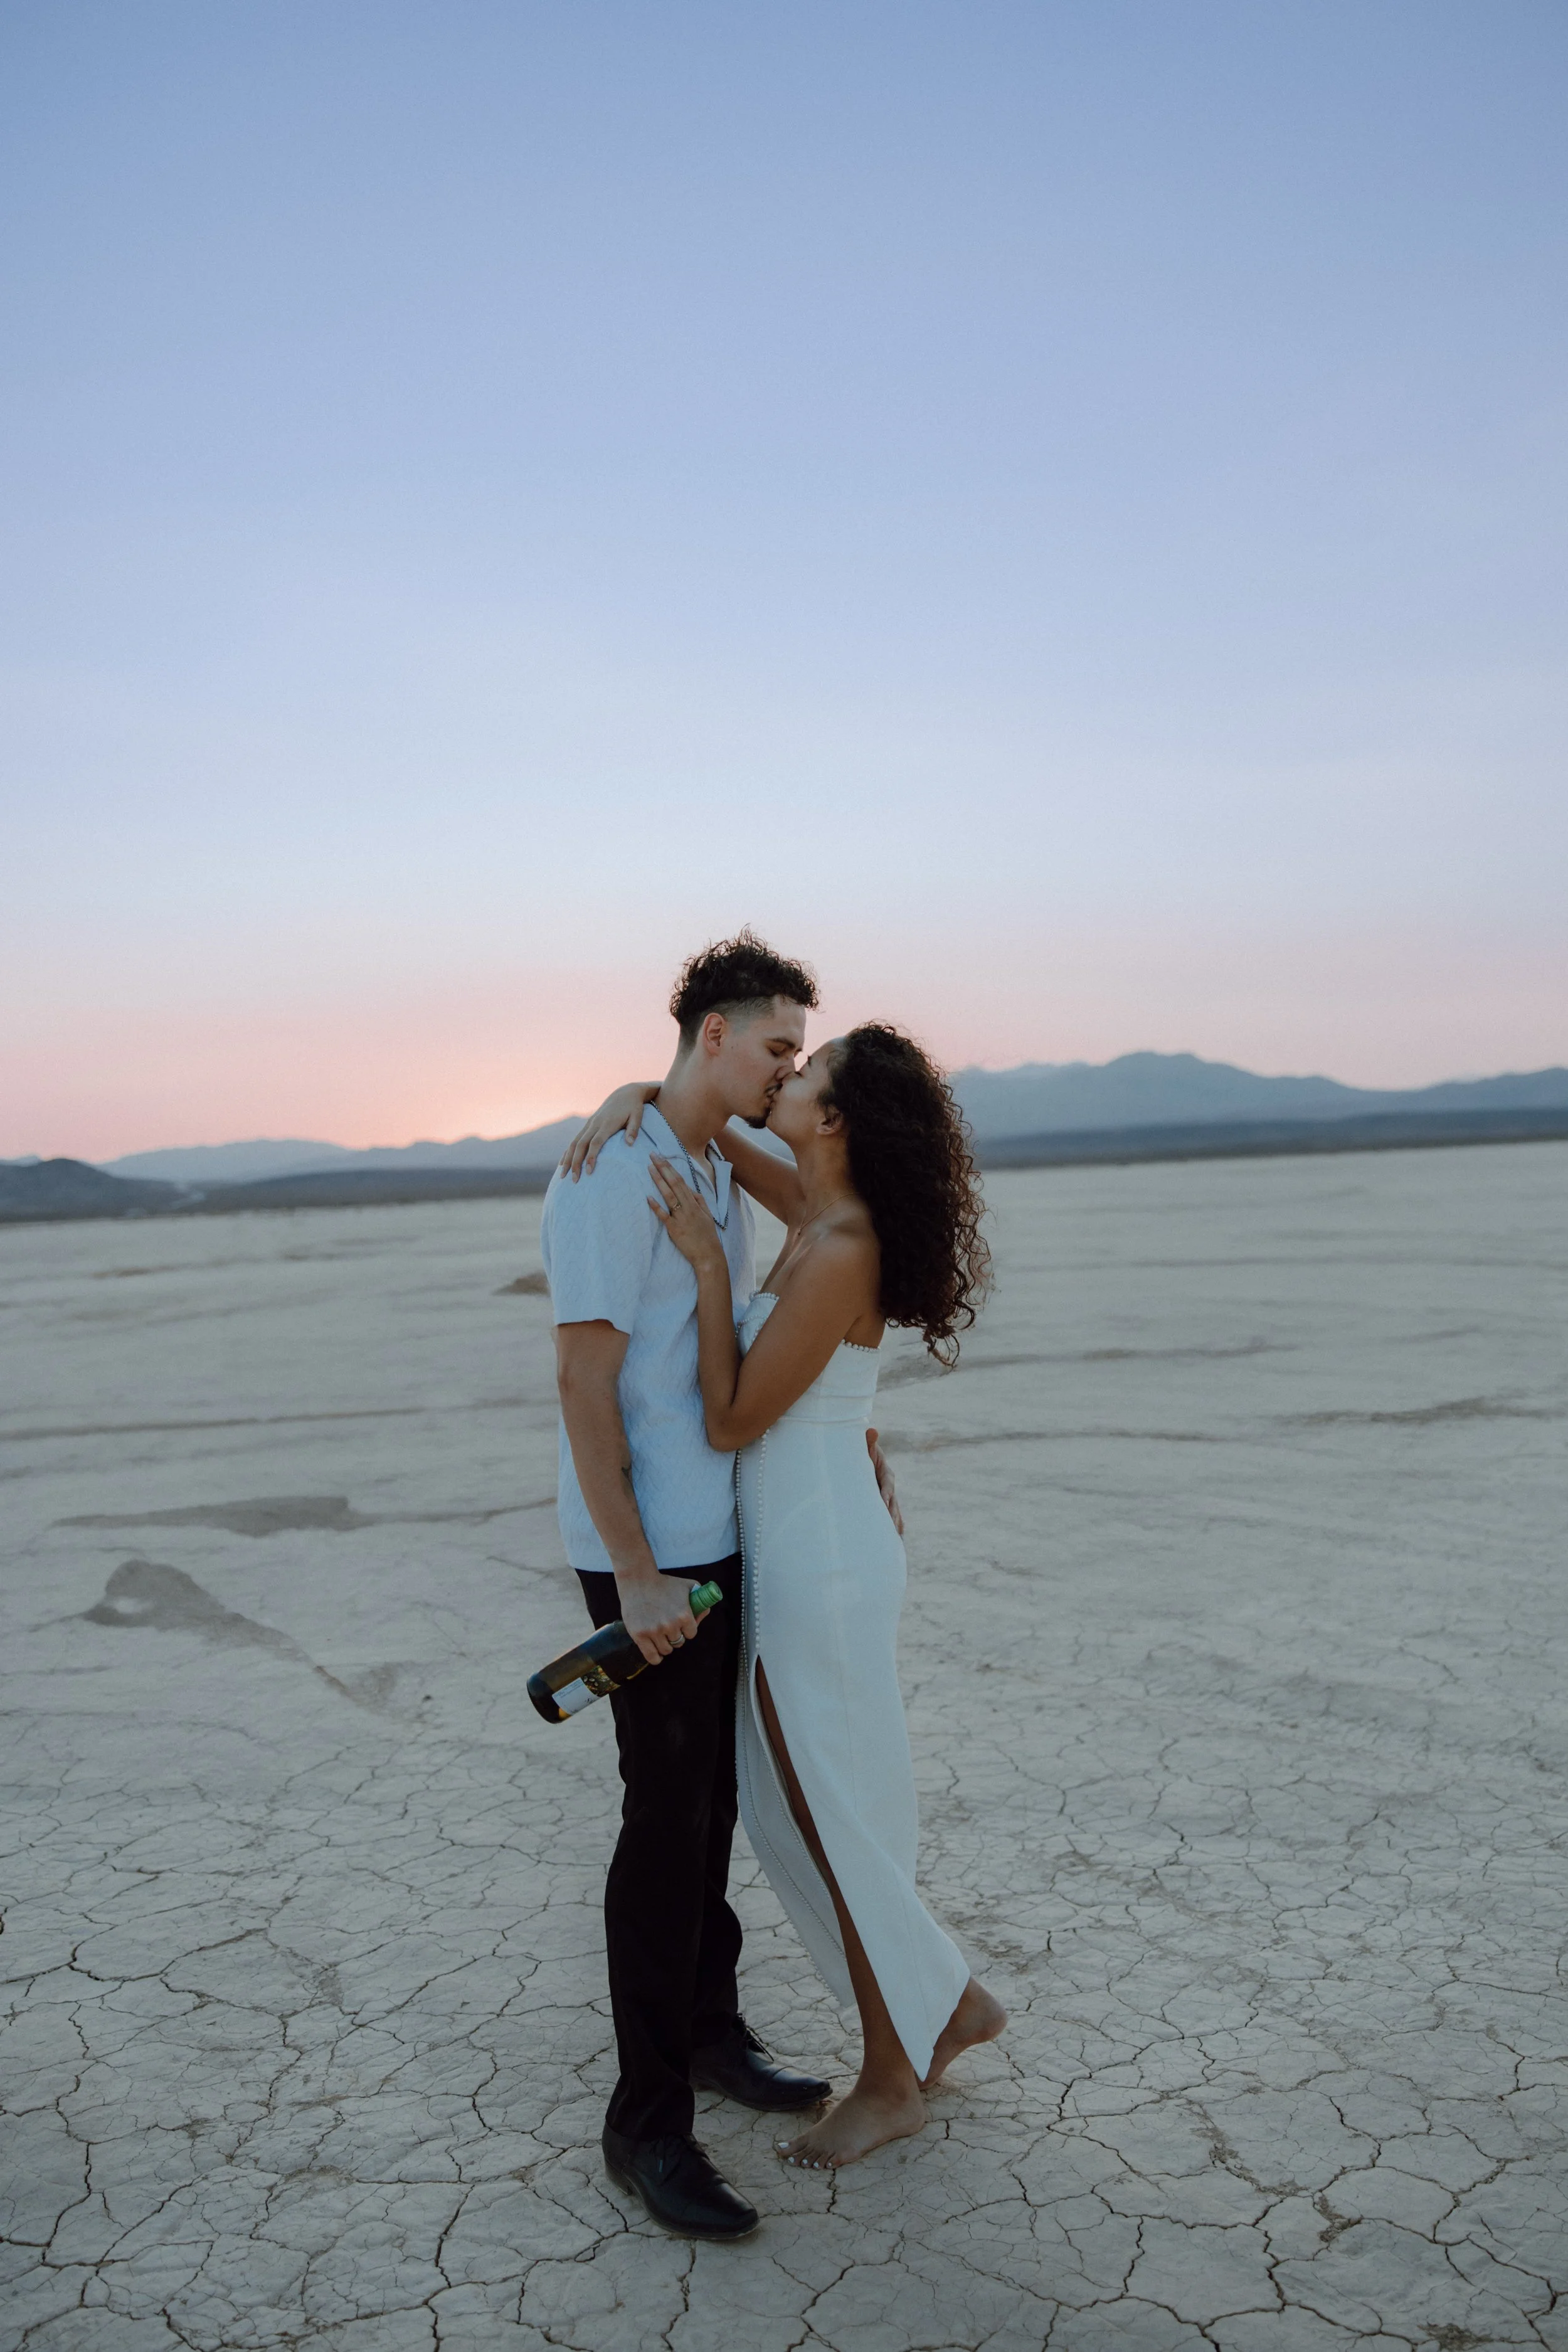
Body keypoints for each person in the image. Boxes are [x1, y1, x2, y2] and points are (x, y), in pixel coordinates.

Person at [569, 1020, 1007, 2170]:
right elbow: (711, 1128)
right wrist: (642, 1087)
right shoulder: (815, 1206)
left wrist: (709, 1268)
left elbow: (729, 1418)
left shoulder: (842, 1243)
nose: (787, 1076)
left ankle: (892, 2079)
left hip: (821, 1558)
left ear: (838, 1118)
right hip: (807, 1539)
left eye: (806, 1072)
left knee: (832, 1810)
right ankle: (949, 2001)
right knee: (815, 1804)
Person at [539, 933, 842, 2242]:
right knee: (663, 1825)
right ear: (715, 1033)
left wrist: (646, 1092)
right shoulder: (610, 1175)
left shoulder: (706, 1155)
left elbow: (813, 1208)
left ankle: (711, 2035)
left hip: (714, 1543)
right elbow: (582, 1381)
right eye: (776, 1046)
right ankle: (646, 2124)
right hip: (649, 1557)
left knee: (709, 1804)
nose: (788, 1069)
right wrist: (636, 1573)